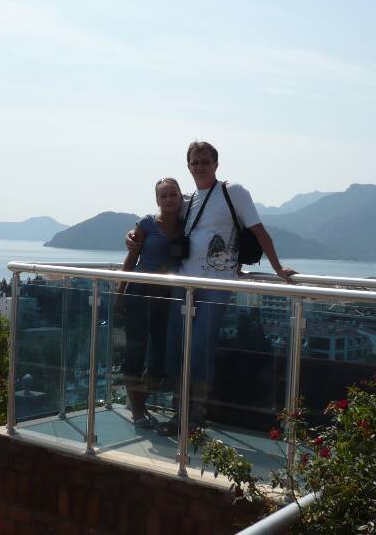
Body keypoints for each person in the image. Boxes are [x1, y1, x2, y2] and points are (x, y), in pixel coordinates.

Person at [128, 141, 297, 434]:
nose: (200, 166)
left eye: (205, 161)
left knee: (200, 349)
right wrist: (132, 235)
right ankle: (179, 414)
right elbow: (160, 220)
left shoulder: (233, 192)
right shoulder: (188, 200)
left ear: (216, 164)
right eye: (195, 162)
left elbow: (258, 230)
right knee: (177, 349)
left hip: (215, 285)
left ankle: (196, 415)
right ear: (188, 166)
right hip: (184, 283)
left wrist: (278, 268)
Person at [116, 177, 183, 428]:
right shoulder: (146, 223)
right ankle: (137, 409)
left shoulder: (188, 224)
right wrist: (121, 292)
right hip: (139, 293)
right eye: (163, 195)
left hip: (167, 297)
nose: (169, 199)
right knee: (136, 350)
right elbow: (131, 258)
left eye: (173, 194)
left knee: (161, 357)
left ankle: (140, 400)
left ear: (181, 196)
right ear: (157, 200)